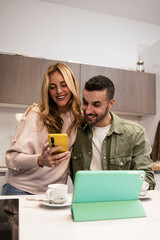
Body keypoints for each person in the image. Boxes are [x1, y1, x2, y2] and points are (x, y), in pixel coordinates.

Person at [2, 63, 82, 195]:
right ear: (47, 90)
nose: (59, 91)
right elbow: (11, 158)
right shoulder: (36, 113)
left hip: (52, 193)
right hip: (20, 190)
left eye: (64, 84)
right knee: (11, 217)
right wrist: (40, 160)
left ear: (72, 85)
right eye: (52, 87)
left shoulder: (77, 117)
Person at [70, 75, 156, 190]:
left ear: (111, 103)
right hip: (84, 203)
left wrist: (132, 185)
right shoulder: (75, 130)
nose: (88, 110)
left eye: (96, 105)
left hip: (120, 203)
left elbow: (148, 178)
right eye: (85, 103)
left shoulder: (135, 133)